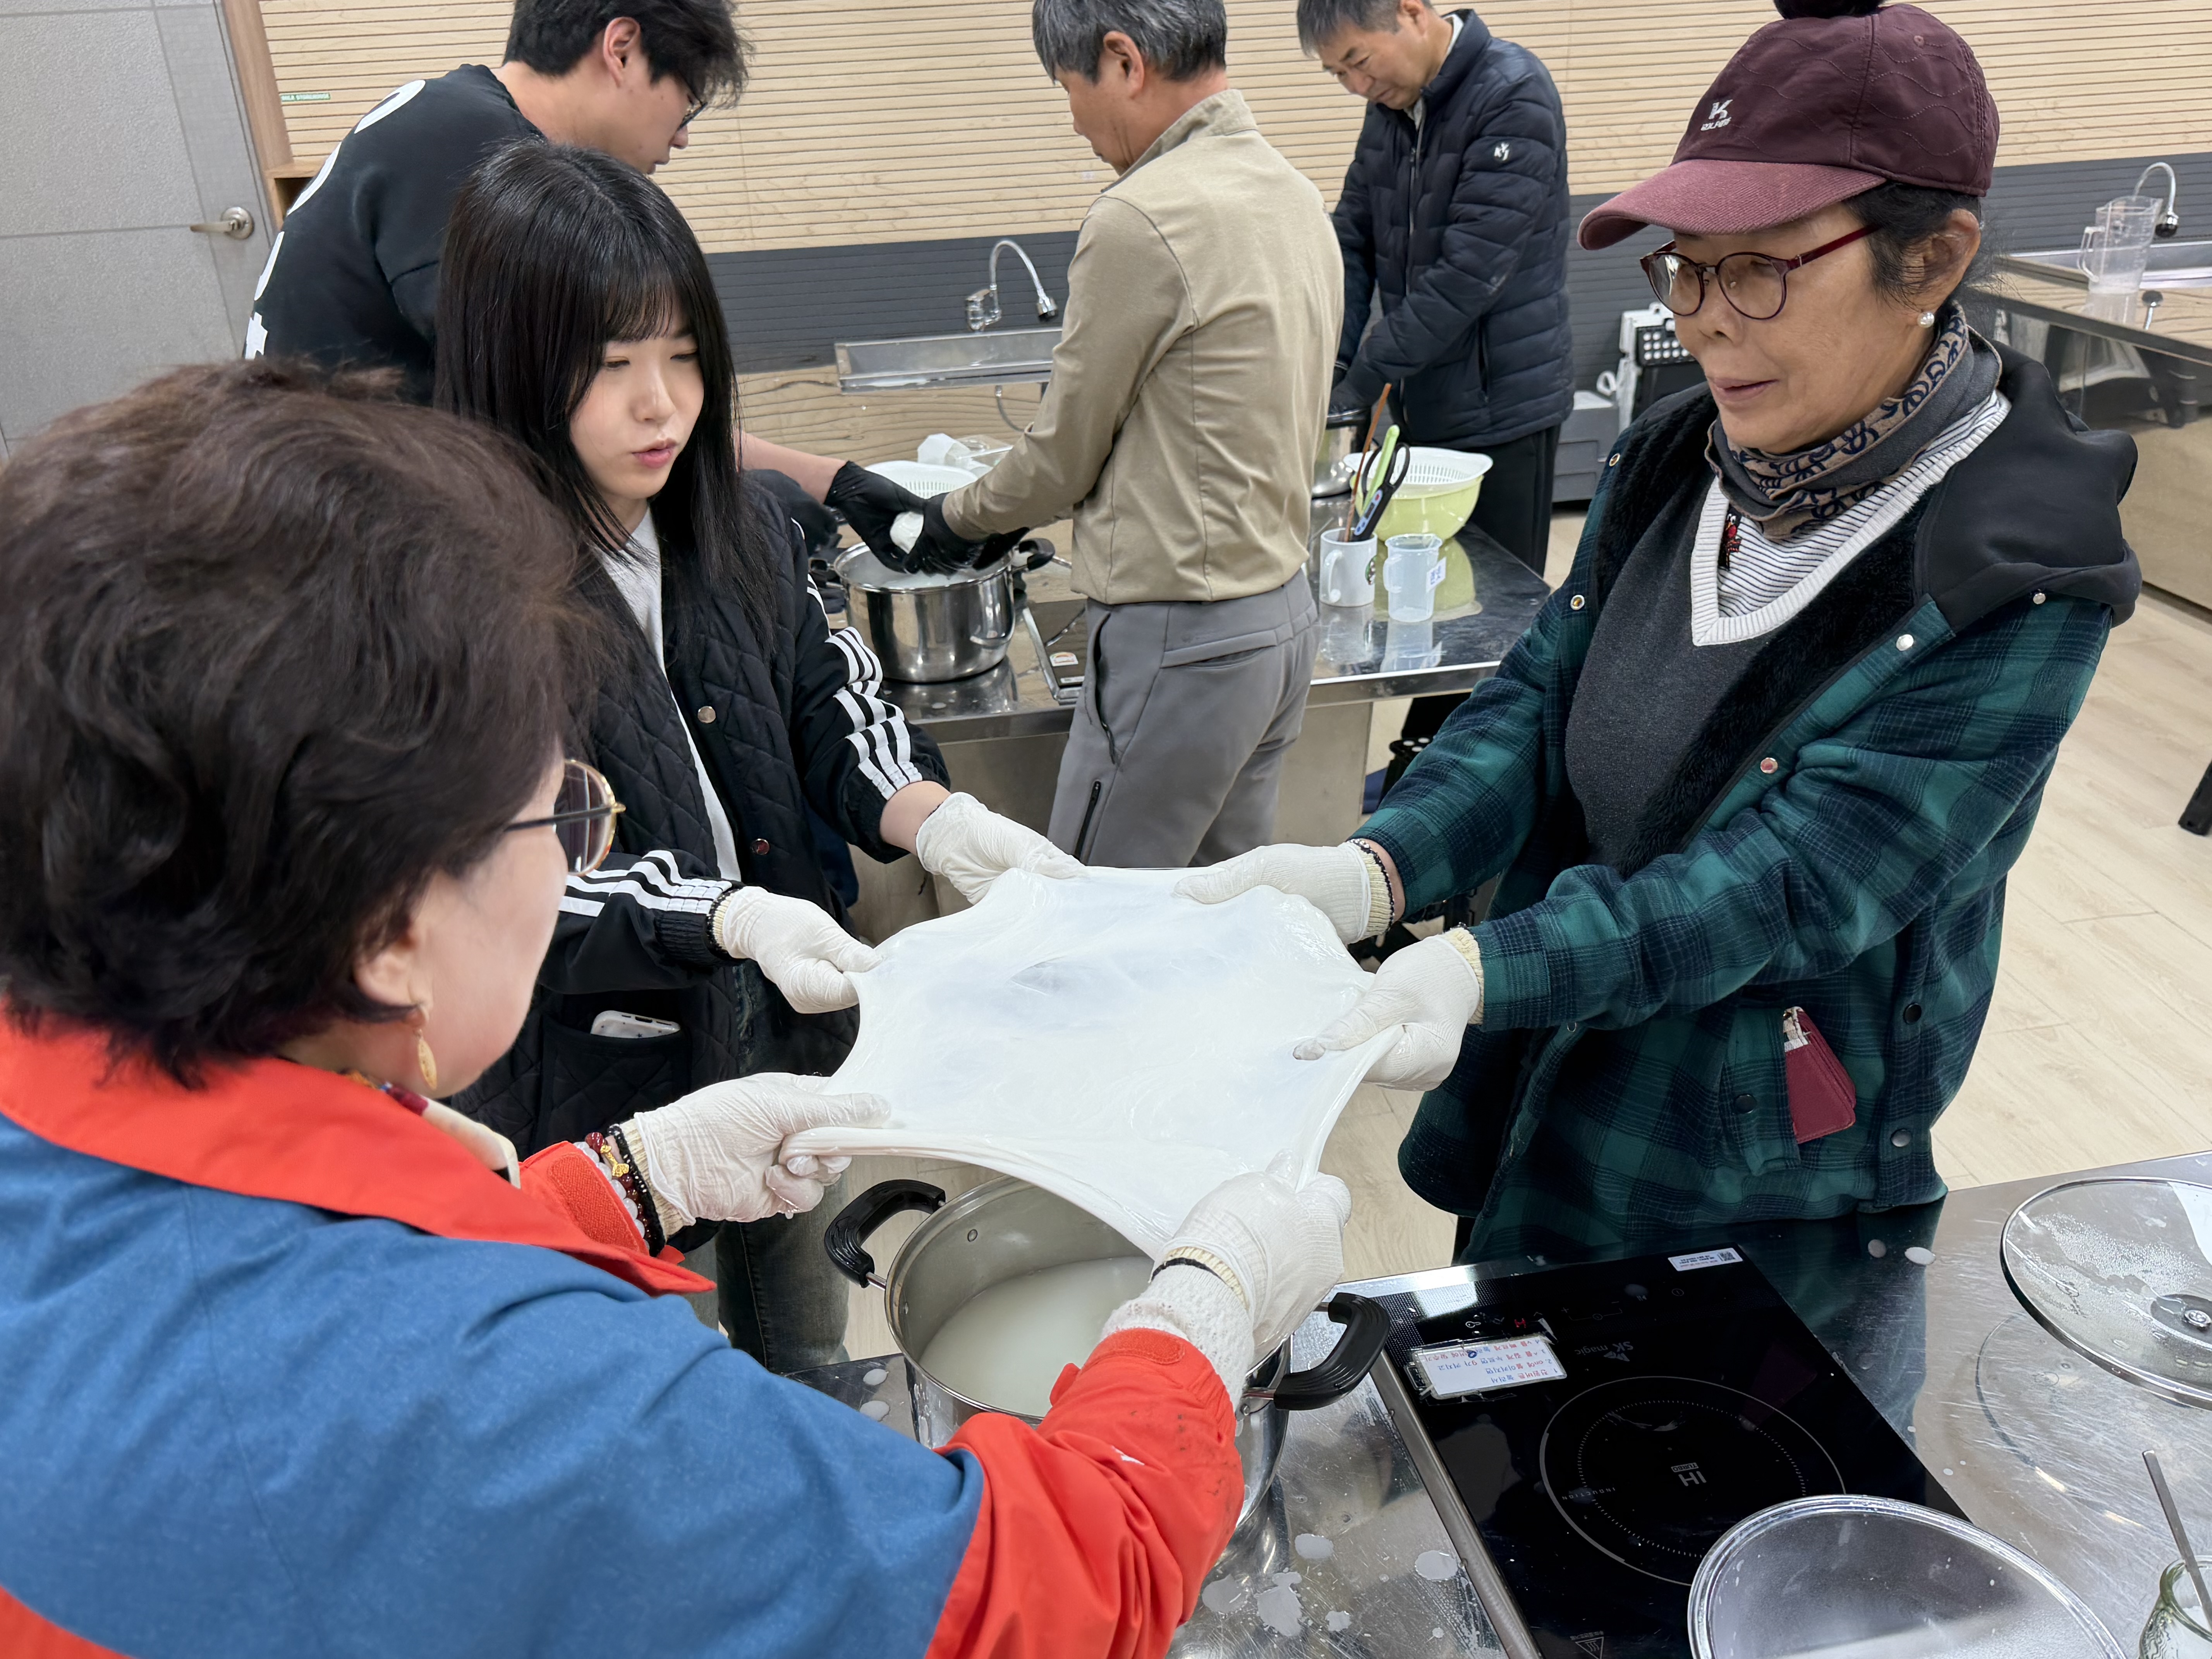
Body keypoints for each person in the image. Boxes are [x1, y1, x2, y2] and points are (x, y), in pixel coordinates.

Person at [0, 359, 1355, 1659]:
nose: (570, 856)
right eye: (560, 813)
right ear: (391, 934)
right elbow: (1033, 1598)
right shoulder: (541, 1405)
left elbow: (303, 1299)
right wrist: (1209, 1304)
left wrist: (618, 1186)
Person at [1180, 1, 2141, 1264]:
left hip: (1748, 1134)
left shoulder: (2013, 572)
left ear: (1933, 258)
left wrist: (1483, 968)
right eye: (1686, 268)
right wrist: (1381, 868)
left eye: (1758, 271)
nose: (1705, 319)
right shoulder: (1678, 458)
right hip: (1559, 1031)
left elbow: (1790, 884)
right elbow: (1539, 699)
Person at [431, 141, 1077, 1371]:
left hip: (774, 1018)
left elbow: (836, 694)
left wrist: (937, 819)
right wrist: (725, 914)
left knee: (803, 1337)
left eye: (682, 355)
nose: (662, 404)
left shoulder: (741, 526)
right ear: (511, 365)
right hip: (593, 1078)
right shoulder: (458, 589)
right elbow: (514, 865)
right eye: (610, 366)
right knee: (644, 1370)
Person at [901, 0, 1342, 870]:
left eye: (1069, 88)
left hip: (1183, 642)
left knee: (1095, 919)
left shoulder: (1142, 217)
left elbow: (1061, 460)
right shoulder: (1293, 194)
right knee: (1217, 912)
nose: (1075, 120)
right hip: (1282, 623)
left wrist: (952, 518)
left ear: (1123, 61)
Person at [244, 0, 919, 553]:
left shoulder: (450, 119)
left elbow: (611, 412)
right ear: (622, 50)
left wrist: (834, 481)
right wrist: (748, 507)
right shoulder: (484, 163)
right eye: (686, 104)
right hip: (339, 542)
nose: (682, 138)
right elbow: (557, 432)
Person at [1302, 0, 1572, 577]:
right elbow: (1352, 241)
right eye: (1338, 74)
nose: (1356, 85)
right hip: (1418, 400)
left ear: (1411, 12)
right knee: (1421, 586)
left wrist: (1361, 384)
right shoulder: (1391, 108)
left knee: (1501, 596)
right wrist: (1334, 365)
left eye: (1359, 61)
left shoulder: (1513, 93)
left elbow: (1469, 274)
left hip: (1502, 408)